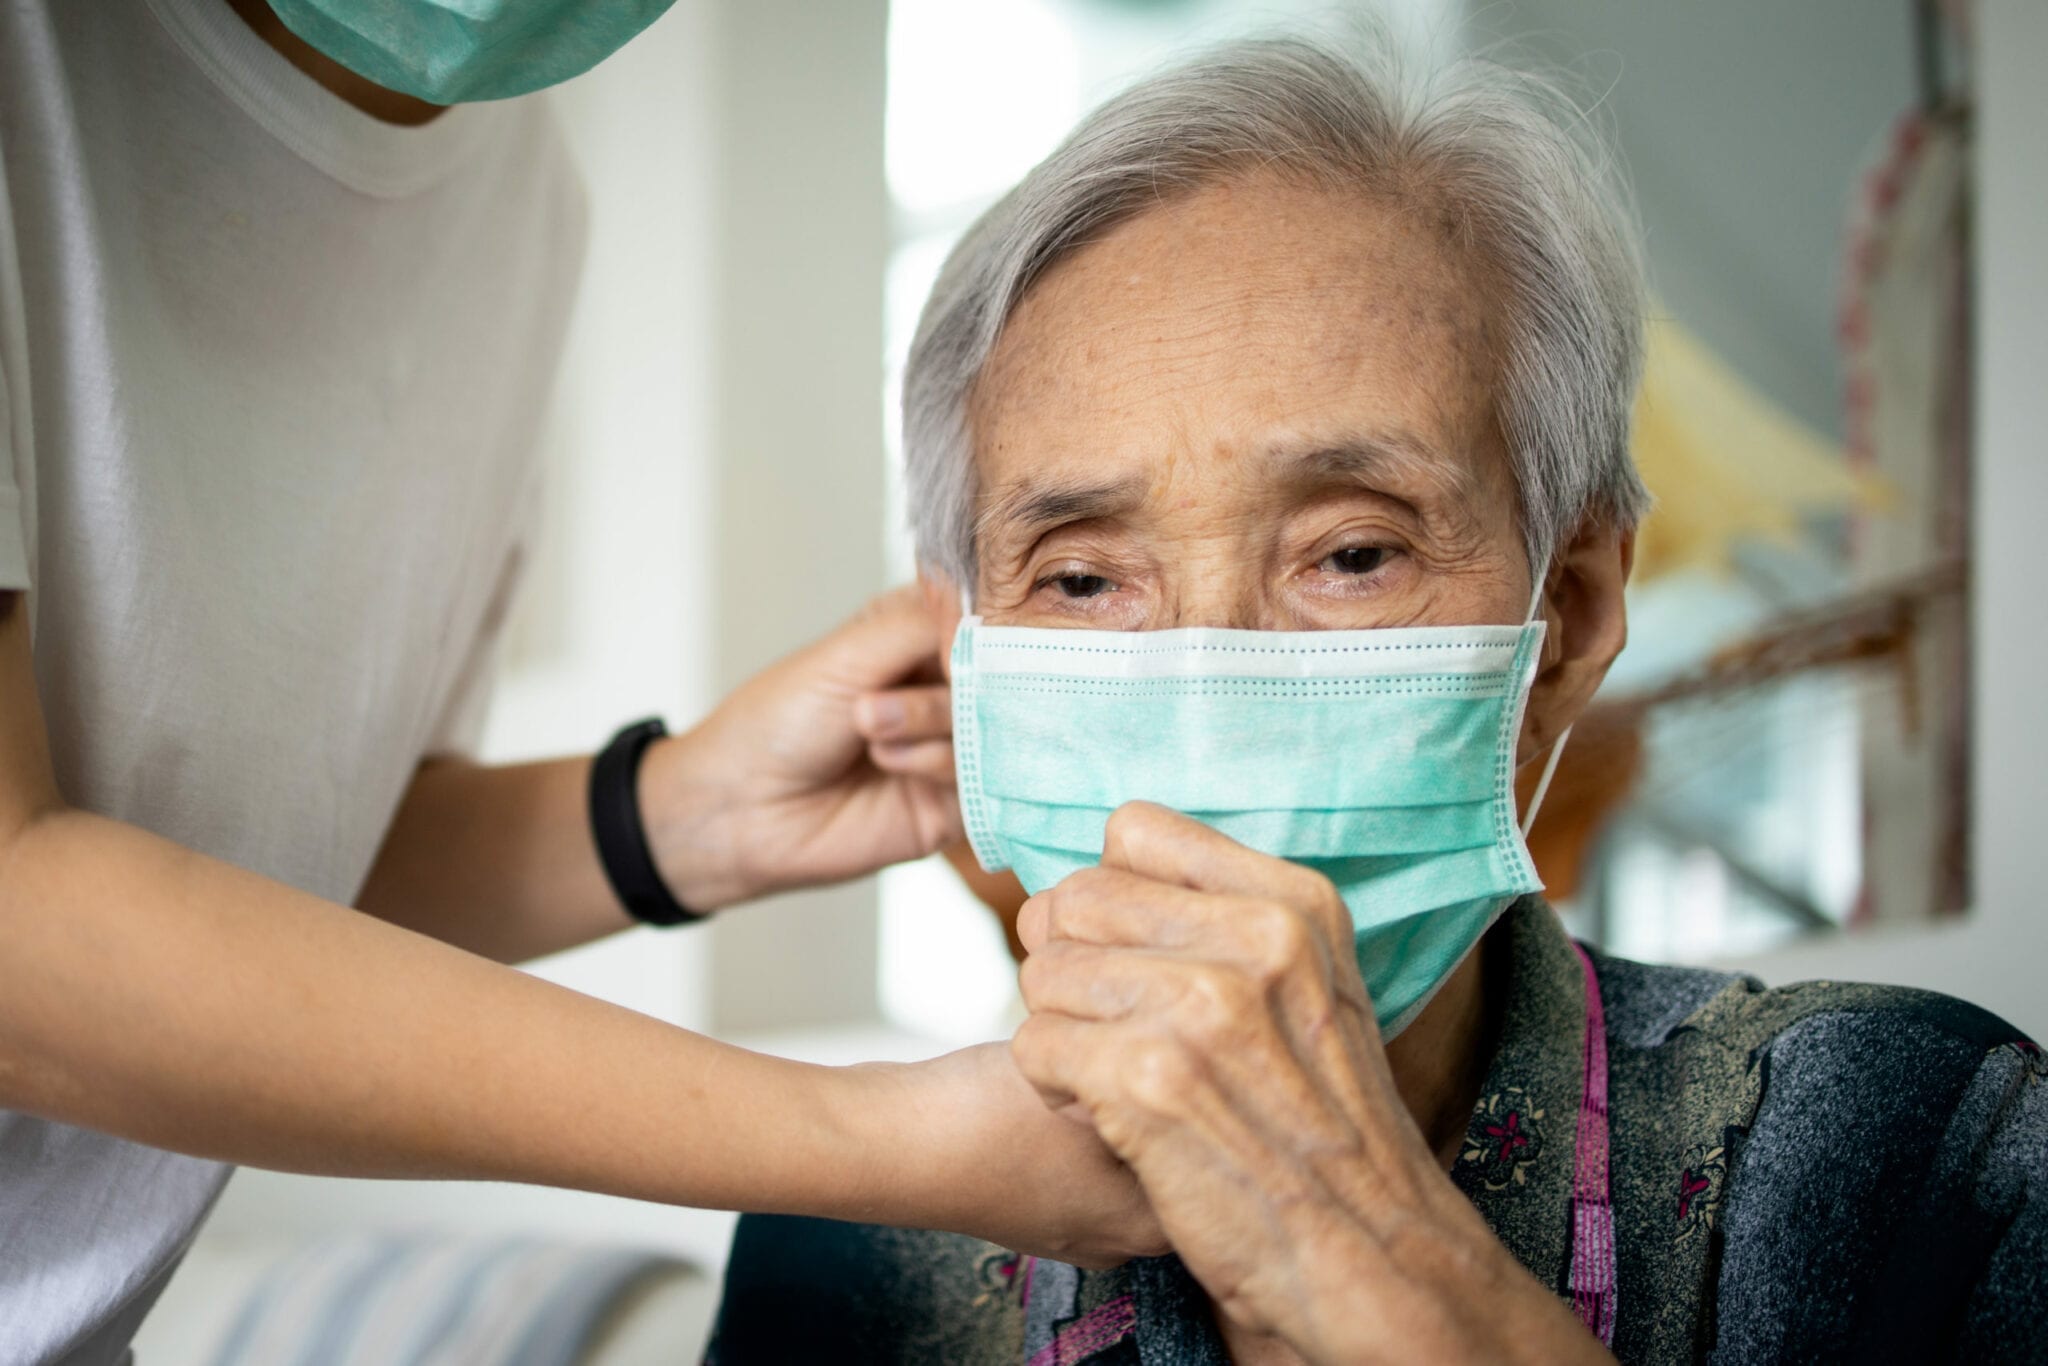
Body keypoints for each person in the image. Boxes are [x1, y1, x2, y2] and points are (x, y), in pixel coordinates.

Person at [709, 32, 2048, 1365]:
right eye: (1080, 579)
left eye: (1352, 555)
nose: (1207, 696)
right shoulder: (854, 1251)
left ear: (1568, 617)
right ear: (971, 656)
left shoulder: (1902, 1157)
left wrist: (1373, 1261)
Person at [0, 3, 1159, 1362]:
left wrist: (679, 813)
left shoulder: (518, 196)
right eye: (1081, 576)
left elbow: (270, 869)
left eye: (1351, 557)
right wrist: (873, 1133)